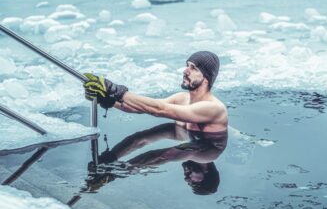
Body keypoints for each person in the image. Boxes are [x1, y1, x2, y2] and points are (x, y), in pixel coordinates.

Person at [83, 51, 228, 133]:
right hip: (186, 144)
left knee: (166, 155)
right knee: (145, 140)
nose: (185, 71)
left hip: (207, 149)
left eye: (194, 68)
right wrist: (110, 100)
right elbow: (143, 109)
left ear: (206, 79)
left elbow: (159, 109)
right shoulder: (181, 98)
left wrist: (115, 90)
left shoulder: (213, 108)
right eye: (187, 66)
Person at [79, 123, 228, 197]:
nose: (187, 179)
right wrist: (112, 174)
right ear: (207, 172)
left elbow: (140, 140)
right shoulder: (208, 153)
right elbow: (161, 156)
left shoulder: (191, 135)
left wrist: (107, 159)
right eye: (194, 183)